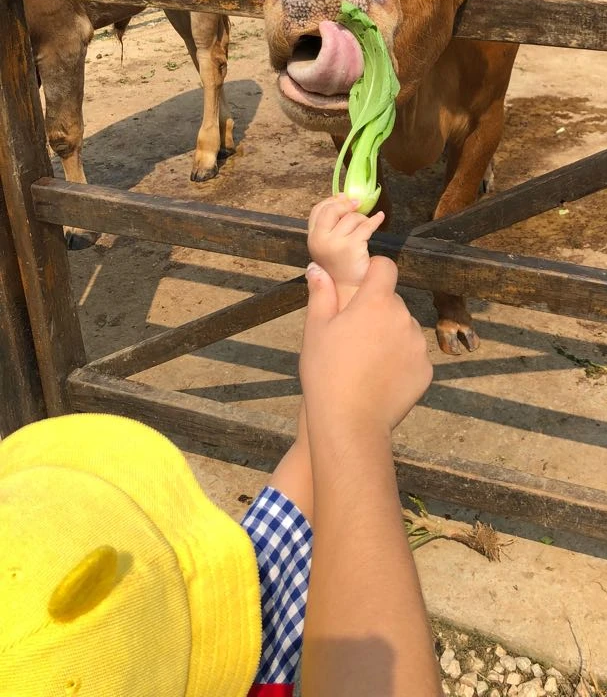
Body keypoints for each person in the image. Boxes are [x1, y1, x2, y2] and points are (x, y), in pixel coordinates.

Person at [0, 195, 439, 697]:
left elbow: (317, 458)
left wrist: (343, 291)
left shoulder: (227, 609)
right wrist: (359, 419)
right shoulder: (254, 635)